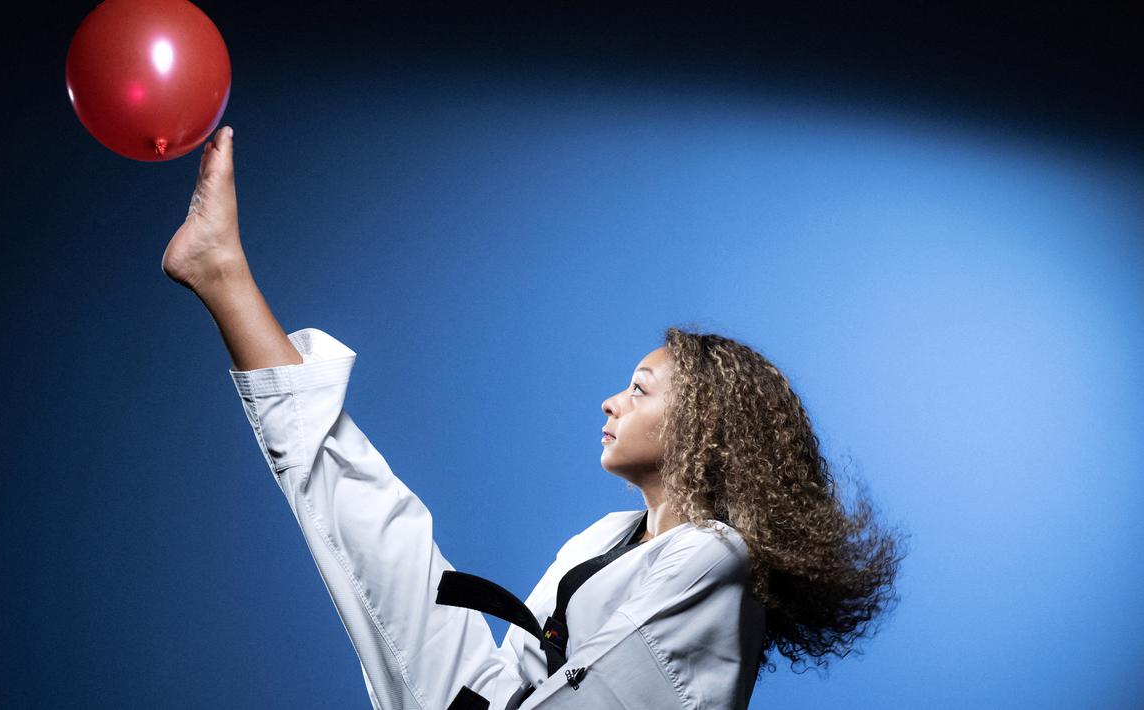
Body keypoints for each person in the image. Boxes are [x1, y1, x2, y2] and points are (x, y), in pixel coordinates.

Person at [163, 126, 906, 709]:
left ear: (702, 427)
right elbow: (513, 675)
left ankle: (223, 273)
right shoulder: (601, 540)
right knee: (387, 532)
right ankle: (223, 273)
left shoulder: (716, 557)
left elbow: (602, 691)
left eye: (640, 390)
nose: (612, 402)